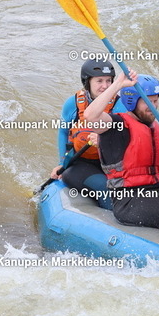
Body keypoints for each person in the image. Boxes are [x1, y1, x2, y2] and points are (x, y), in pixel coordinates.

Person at [84, 71, 159, 229]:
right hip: (129, 202)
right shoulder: (116, 125)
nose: (154, 106)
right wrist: (117, 85)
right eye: (148, 101)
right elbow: (90, 116)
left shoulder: (154, 128)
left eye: (156, 101)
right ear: (132, 102)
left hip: (153, 194)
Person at [50, 59, 116, 209]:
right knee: (106, 189)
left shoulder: (120, 104)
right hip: (80, 164)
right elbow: (63, 132)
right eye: (99, 81)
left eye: (109, 81)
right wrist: (61, 163)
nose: (105, 86)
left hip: (111, 163)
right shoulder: (72, 103)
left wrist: (105, 139)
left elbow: (127, 134)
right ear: (87, 82)